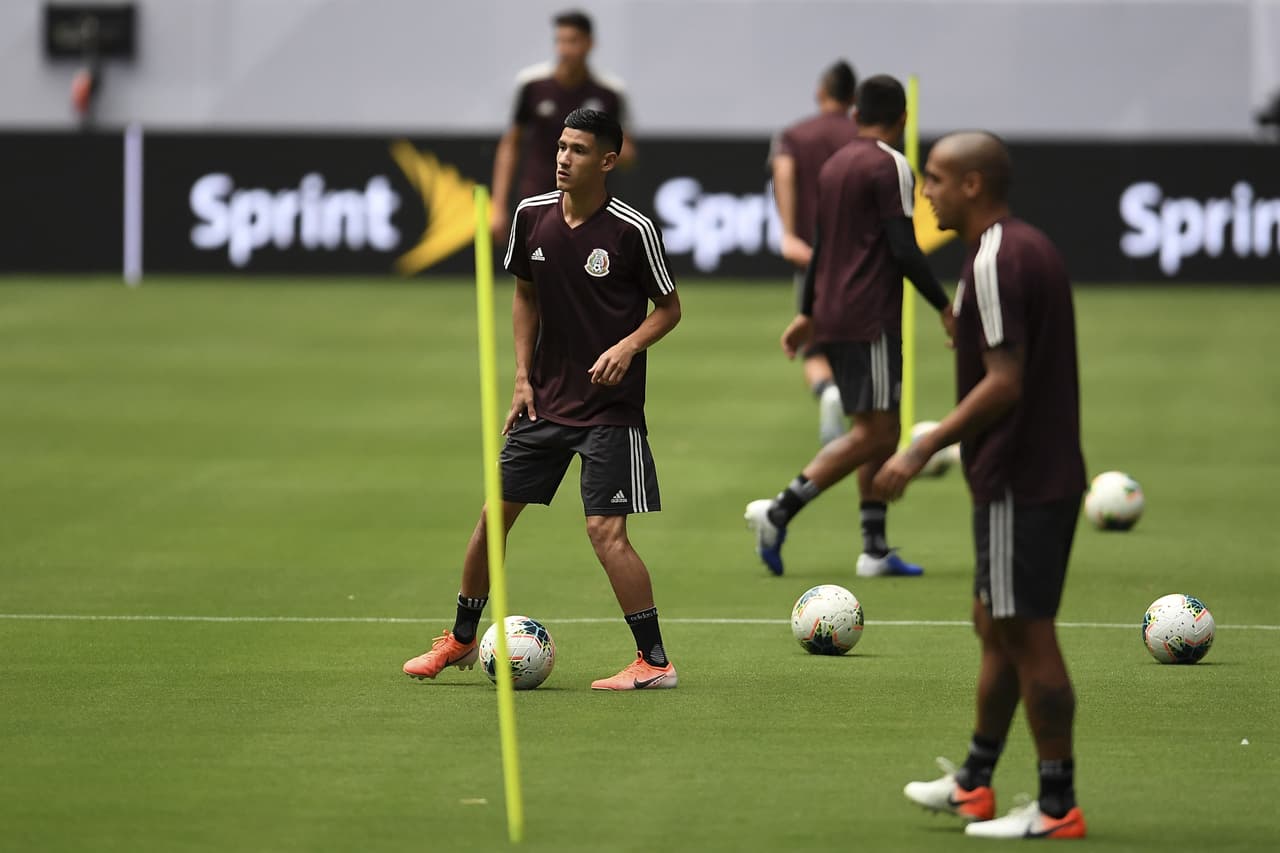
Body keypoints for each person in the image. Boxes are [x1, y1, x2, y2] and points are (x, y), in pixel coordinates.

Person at [404, 108, 682, 691]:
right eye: (560, 146)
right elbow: (525, 296)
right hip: (545, 401)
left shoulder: (634, 230)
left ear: (607, 161)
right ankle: (460, 637)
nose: (562, 157)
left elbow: (669, 309)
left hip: (610, 409)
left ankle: (655, 662)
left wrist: (627, 347)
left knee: (606, 533)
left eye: (578, 150)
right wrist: (521, 377)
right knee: (491, 519)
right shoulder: (531, 218)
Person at [877, 131, 1088, 839]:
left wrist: (923, 444)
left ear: (972, 184)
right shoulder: (1022, 246)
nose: (925, 192)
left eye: (934, 178)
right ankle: (975, 780)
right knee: (991, 623)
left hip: (1019, 477)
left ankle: (1057, 804)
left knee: (1028, 635)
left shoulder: (997, 257)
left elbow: (1005, 381)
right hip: (1039, 470)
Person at [743, 75, 953, 578]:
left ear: (855, 115)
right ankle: (779, 511)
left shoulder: (836, 164)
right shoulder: (892, 164)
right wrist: (945, 306)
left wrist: (808, 313)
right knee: (878, 432)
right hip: (869, 315)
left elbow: (821, 240)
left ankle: (874, 548)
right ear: (902, 119)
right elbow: (904, 248)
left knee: (873, 430)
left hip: (835, 313)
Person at [771, 60, 861, 446]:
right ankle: (856, 405)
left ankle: (828, 392)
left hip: (812, 257)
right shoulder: (864, 135)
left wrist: (789, 233)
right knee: (861, 343)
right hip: (861, 258)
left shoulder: (796, 134)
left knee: (814, 348)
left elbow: (784, 174)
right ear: (853, 97)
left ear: (821, 92)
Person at [490, 9, 635, 245]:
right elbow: (510, 144)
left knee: (586, 276)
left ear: (589, 44)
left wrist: (614, 150)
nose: (564, 49)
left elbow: (626, 152)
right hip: (538, 197)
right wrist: (498, 207)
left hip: (588, 203)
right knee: (535, 277)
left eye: (573, 41)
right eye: (560, 41)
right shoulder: (533, 85)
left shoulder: (609, 93)